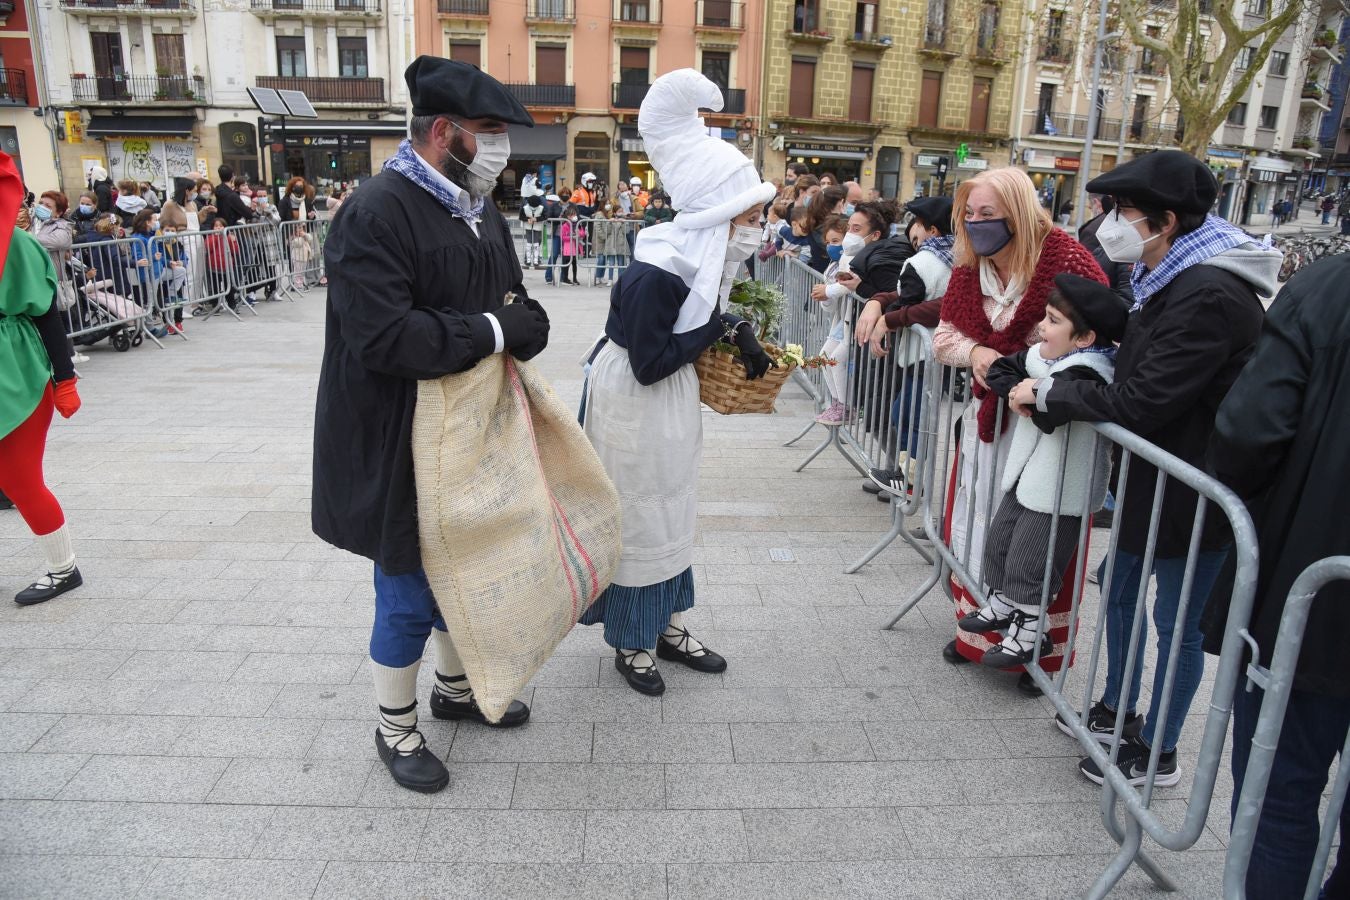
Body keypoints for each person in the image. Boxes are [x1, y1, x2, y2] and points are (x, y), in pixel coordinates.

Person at [313, 56, 549, 794]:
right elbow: (387, 339)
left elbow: (527, 313)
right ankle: (395, 727)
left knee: (466, 566)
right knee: (409, 587)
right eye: (490, 131)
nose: (503, 146)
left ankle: (454, 690)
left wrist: (502, 326)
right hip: (397, 436)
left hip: (473, 432)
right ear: (444, 131)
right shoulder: (376, 210)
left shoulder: (479, 208)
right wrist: (492, 328)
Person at [1008, 150, 1280, 786]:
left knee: (1175, 625)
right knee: (1124, 594)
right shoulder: (1171, 278)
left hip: (1193, 493)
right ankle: (1119, 706)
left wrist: (1050, 394)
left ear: (1166, 221)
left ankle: (1157, 747)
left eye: (1124, 212)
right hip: (1149, 483)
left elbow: (1143, 401)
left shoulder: (1210, 292)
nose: (1111, 223)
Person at [579, 69, 774, 696]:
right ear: (719, 209)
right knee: (640, 513)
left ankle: (667, 624)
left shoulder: (692, 260)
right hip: (636, 399)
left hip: (664, 398)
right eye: (751, 212)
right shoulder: (659, 270)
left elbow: (680, 342)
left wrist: (730, 326)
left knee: (671, 507)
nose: (757, 224)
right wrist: (718, 325)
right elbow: (649, 361)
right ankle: (633, 640)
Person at [1205, 254, 1350, 900]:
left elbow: (1248, 431)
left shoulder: (1328, 285)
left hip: (1313, 597)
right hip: (1316, 589)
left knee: (1278, 794)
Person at [933, 165, 1107, 696]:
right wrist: (980, 351)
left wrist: (1034, 376)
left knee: (1041, 539)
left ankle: (1039, 657)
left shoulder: (1067, 260)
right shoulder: (969, 269)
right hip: (988, 421)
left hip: (1047, 427)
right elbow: (944, 337)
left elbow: (1097, 341)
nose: (976, 222)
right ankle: (978, 637)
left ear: (1019, 211)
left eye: (988, 213)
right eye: (970, 213)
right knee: (983, 521)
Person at [966, 275, 1125, 665]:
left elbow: (1051, 414)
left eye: (1053, 321)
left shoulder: (1090, 371)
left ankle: (1033, 630)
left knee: (1032, 559)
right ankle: (1004, 604)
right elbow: (1003, 371)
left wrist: (1032, 393)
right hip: (1028, 475)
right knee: (1000, 543)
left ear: (1084, 338)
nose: (1041, 327)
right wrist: (1022, 393)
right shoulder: (1045, 358)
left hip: (1060, 488)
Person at [0, 151, 85, 606]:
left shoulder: (19, 246)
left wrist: (64, 377)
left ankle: (63, 568)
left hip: (15, 366)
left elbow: (49, 318)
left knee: (19, 477)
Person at [855, 195, 956, 496]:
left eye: (917, 225)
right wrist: (879, 302)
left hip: (923, 353)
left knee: (910, 416)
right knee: (909, 413)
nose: (911, 230)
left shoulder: (921, 262)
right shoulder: (955, 259)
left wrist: (889, 318)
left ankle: (908, 480)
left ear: (932, 231)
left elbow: (907, 298)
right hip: (933, 352)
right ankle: (902, 474)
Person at [807, 214, 851, 424]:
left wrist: (829, 290)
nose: (831, 246)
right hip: (840, 320)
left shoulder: (851, 260)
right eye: (828, 242)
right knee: (824, 357)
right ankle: (836, 403)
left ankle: (845, 406)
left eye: (836, 241)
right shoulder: (832, 266)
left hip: (852, 320)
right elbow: (831, 305)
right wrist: (824, 296)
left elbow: (848, 285)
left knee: (836, 360)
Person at [31, 191, 74, 268]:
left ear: (59, 213)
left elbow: (58, 241)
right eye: (40, 203)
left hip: (50, 273)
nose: (41, 207)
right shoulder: (29, 220)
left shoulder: (62, 225)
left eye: (48, 206)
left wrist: (28, 238)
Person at [519, 182, 545, 268]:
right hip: (528, 226)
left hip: (537, 226)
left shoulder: (541, 207)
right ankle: (528, 260)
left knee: (536, 243)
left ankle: (536, 260)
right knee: (529, 243)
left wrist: (536, 219)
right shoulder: (525, 207)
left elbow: (545, 216)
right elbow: (521, 216)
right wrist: (528, 219)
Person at [558, 203, 583, 286]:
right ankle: (565, 278)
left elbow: (582, 233)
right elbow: (563, 237)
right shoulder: (565, 225)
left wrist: (578, 234)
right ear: (568, 216)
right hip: (567, 248)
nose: (574, 217)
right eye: (572, 215)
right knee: (566, 264)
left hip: (575, 248)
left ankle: (575, 278)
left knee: (574, 264)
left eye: (575, 215)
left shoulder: (578, 224)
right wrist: (571, 237)